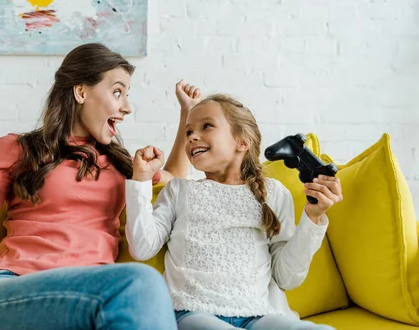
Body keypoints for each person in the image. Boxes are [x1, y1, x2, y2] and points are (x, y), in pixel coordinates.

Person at [0, 42, 202, 330]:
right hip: (7, 294)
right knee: (142, 282)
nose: (127, 107)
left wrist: (186, 115)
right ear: (81, 92)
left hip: (92, 302)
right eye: (117, 92)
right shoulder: (18, 149)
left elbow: (174, 180)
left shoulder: (122, 164)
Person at [125, 94, 343, 330]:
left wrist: (313, 216)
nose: (192, 137)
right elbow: (141, 246)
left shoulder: (274, 194)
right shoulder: (179, 191)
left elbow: (287, 278)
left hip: (259, 315)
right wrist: (141, 181)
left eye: (206, 126)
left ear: (242, 142)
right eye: (188, 132)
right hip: (192, 312)